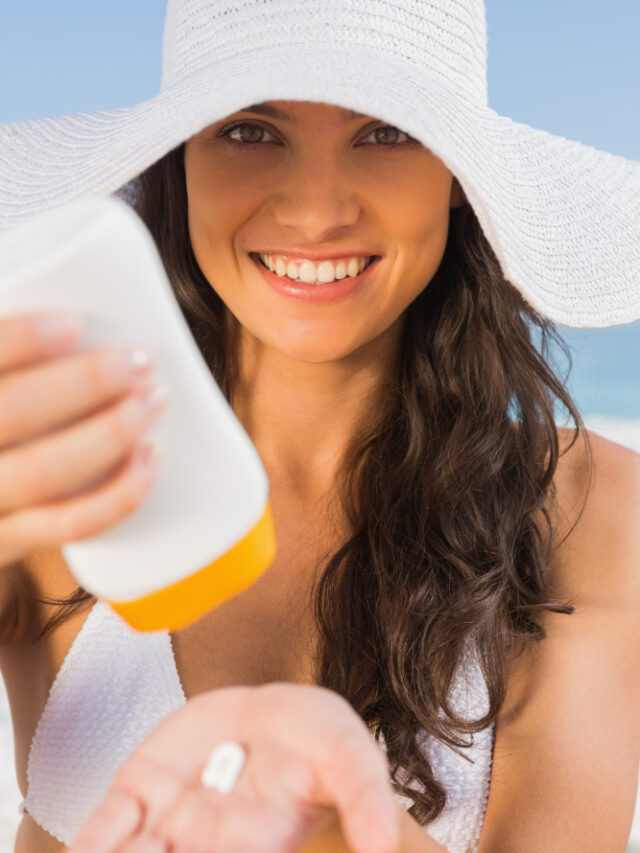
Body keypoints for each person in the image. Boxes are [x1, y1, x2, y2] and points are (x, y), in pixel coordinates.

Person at [0, 0, 639, 851]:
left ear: (456, 175)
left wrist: (332, 815)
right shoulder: (49, 475)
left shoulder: (598, 516)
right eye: (250, 131)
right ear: (180, 159)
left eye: (384, 133)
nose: (315, 208)